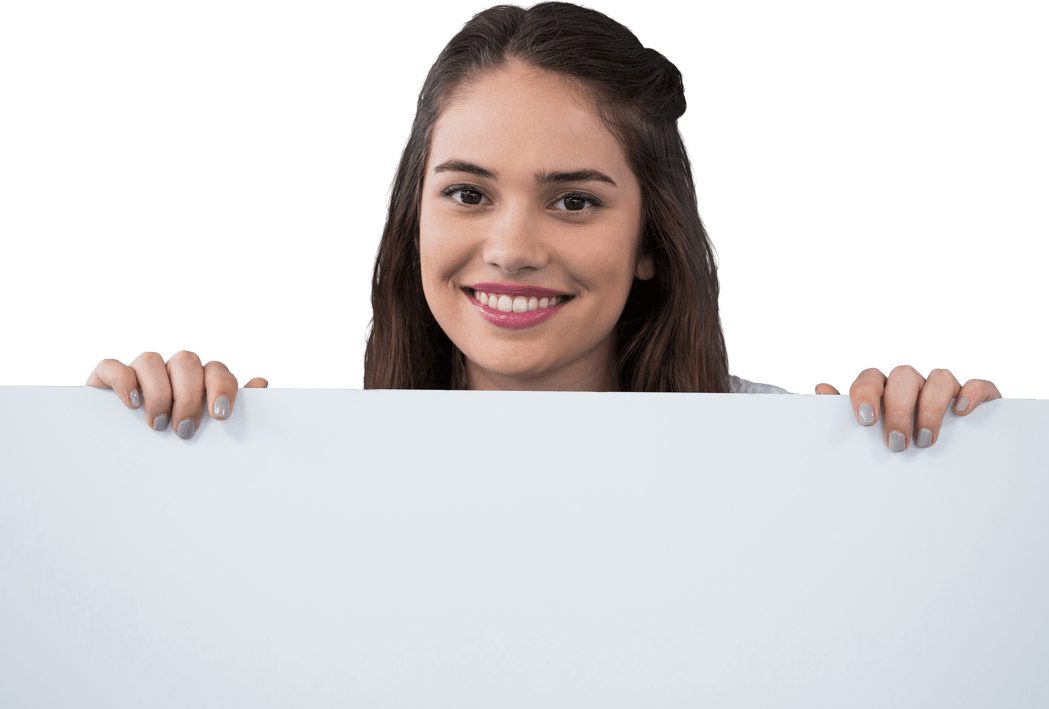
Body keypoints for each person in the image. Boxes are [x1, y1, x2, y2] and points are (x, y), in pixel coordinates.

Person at [85, 1, 1000, 450]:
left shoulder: (789, 454)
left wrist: (947, 455)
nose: (513, 249)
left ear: (651, 241)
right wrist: (129, 449)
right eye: (467, 194)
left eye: (574, 201)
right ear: (414, 219)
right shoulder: (304, 462)